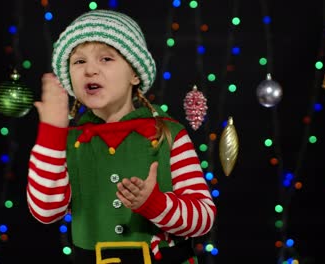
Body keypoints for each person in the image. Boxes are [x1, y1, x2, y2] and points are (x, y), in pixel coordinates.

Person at [26, 9, 217, 264]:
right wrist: (51, 133)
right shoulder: (66, 142)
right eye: (79, 61)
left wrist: (156, 203)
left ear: (134, 74)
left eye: (106, 58)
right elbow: (45, 211)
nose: (90, 70)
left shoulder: (170, 134)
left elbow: (203, 218)